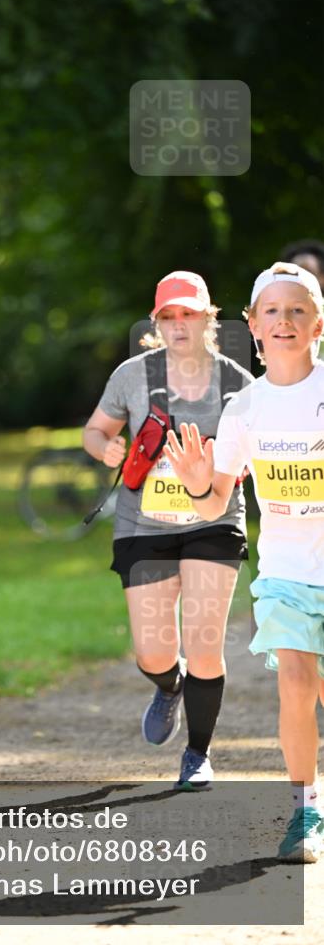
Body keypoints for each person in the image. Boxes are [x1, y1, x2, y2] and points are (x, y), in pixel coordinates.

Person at [165, 261, 324, 862]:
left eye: (298, 310)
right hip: (285, 575)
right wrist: (199, 481)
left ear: (318, 325)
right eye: (273, 312)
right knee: (295, 682)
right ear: (253, 326)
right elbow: (216, 495)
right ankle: (304, 809)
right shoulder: (245, 408)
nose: (285, 321)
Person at [83, 271, 252, 790]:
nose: (180, 324)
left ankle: (197, 754)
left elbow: (255, 452)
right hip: (143, 524)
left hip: (214, 520)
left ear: (209, 318)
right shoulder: (132, 375)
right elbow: (96, 429)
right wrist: (104, 447)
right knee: (153, 652)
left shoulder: (239, 385)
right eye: (169, 316)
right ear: (157, 324)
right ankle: (169, 682)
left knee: (205, 644)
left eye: (190, 314)